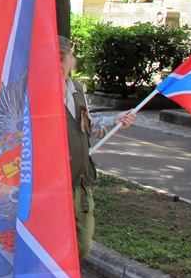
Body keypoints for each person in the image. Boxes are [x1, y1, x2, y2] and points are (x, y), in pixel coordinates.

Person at [59, 35, 137, 257]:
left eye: (64, 57)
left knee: (82, 245)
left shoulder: (76, 89)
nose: (61, 63)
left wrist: (115, 120)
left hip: (81, 181)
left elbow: (88, 128)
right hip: (54, 185)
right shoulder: (36, 93)